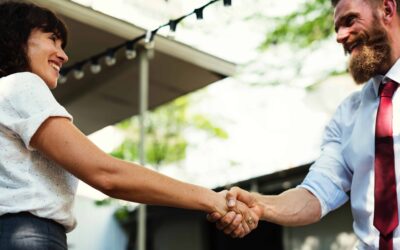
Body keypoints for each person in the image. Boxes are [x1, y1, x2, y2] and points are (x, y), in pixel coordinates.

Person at [0, 2, 258, 249]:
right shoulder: (21, 85)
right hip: (27, 237)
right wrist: (213, 199)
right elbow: (106, 174)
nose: (63, 54)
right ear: (15, 38)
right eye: (51, 39)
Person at [210, 0, 400, 249]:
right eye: (337, 28)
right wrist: (260, 205)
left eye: (350, 20)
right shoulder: (347, 115)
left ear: (387, 9)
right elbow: (316, 194)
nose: (341, 36)